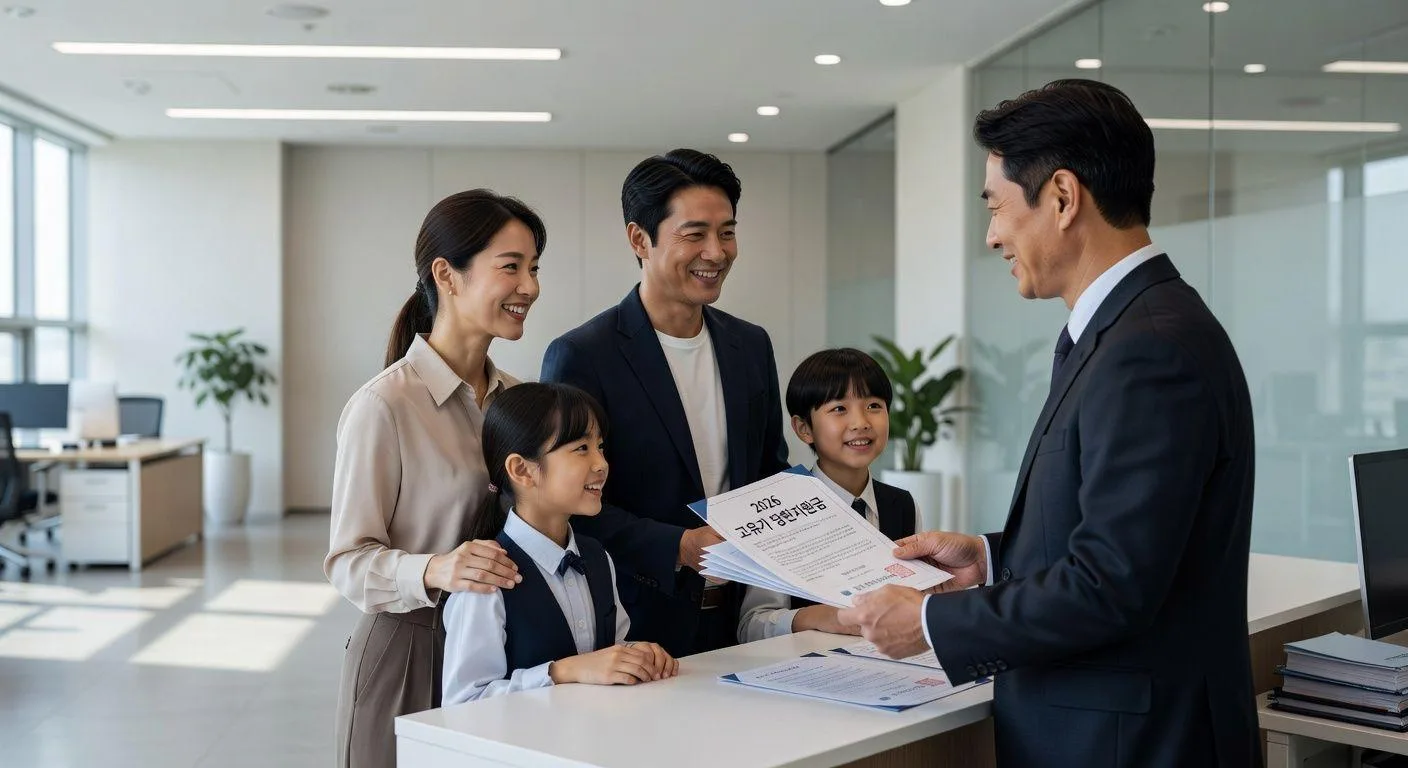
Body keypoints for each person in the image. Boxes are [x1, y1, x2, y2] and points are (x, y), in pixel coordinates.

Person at [839, 79, 1260, 768]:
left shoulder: (1148, 349)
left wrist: (928, 621)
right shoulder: (1135, 329)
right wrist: (991, 559)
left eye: (998, 207)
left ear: (1062, 197)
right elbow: (1126, 540)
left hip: (1131, 746)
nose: (993, 234)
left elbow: (1110, 586)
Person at [326, 189, 546, 768]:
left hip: (504, 650)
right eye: (511, 267)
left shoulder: (520, 401)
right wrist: (435, 568)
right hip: (408, 651)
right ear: (446, 274)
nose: (530, 286)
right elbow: (348, 561)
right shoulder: (384, 406)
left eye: (534, 268)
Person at [541, 149, 790, 656]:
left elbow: (769, 469)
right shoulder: (583, 356)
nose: (716, 252)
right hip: (635, 621)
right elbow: (563, 501)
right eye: (694, 234)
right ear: (640, 239)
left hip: (744, 617)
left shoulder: (751, 345)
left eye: (727, 232)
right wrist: (677, 546)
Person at [441, 383, 678, 704]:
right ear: (522, 470)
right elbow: (463, 704)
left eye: (601, 447)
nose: (601, 464)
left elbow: (610, 651)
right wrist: (560, 672)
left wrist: (637, 654)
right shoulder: (486, 578)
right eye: (581, 448)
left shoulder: (598, 558)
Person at [736, 348, 922, 641]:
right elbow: (752, 626)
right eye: (839, 409)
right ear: (803, 429)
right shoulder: (780, 511)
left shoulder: (902, 505)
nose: (861, 422)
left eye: (873, 405)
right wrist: (817, 617)